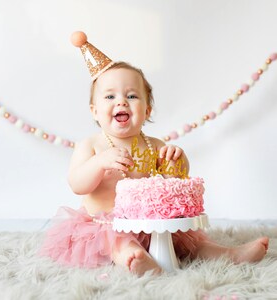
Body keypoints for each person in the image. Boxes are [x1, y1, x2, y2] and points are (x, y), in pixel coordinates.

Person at [39, 33, 269, 276]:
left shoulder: (154, 145)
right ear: (95, 111)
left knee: (191, 243)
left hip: (153, 226)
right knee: (118, 241)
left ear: (147, 109)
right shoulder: (91, 146)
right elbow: (77, 184)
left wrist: (177, 160)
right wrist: (98, 163)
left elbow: (175, 180)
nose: (121, 102)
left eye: (132, 96)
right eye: (110, 96)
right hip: (105, 224)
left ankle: (230, 255)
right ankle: (134, 259)